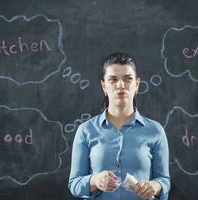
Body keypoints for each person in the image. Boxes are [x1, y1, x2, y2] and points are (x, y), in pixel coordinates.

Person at [68, 52, 170, 200]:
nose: (120, 85)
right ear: (104, 86)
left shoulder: (155, 131)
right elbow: (74, 184)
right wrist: (95, 180)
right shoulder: (86, 130)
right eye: (113, 80)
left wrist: (155, 187)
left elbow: (164, 180)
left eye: (128, 79)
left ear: (136, 84)